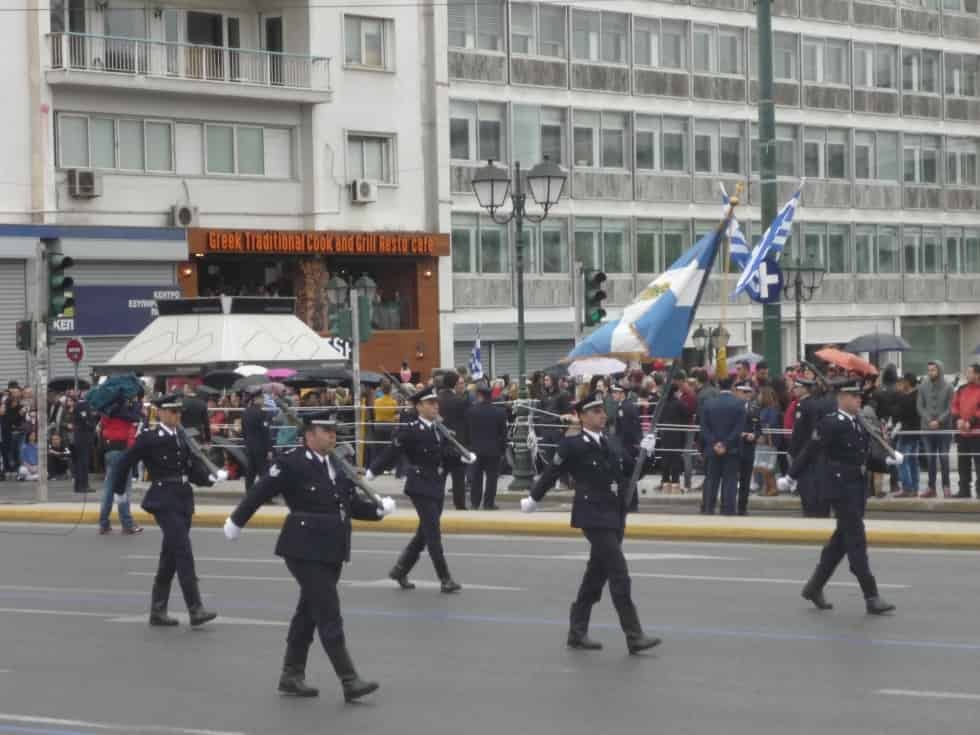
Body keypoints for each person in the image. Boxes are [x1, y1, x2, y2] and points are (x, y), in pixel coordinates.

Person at [224, 413, 396, 702]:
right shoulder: (291, 463)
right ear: (309, 434)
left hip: (332, 548)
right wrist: (236, 521)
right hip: (303, 547)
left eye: (334, 431)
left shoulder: (336, 464)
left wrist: (377, 511)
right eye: (326, 431)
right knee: (329, 612)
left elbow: (349, 504)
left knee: (308, 613)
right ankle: (349, 679)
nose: (333, 436)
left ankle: (291, 675)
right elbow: (260, 490)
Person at [520, 392, 661, 654]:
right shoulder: (572, 444)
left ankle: (577, 631)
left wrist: (648, 453)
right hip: (593, 515)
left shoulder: (612, 441)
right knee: (619, 573)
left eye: (602, 411)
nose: (601, 415)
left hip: (616, 513)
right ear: (582, 416)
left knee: (596, 575)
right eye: (595, 411)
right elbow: (552, 473)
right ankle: (634, 635)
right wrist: (533, 498)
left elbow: (633, 472)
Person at [779, 380, 898, 614]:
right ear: (842, 397)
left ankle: (814, 587)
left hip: (857, 488)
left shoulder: (857, 423)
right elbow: (810, 450)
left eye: (859, 396)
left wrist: (886, 462)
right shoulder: (831, 423)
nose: (859, 400)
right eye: (854, 396)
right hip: (840, 488)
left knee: (840, 542)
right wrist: (792, 476)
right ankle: (871, 595)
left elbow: (862, 458)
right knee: (856, 540)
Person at [112, 394, 223, 627]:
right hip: (163, 499)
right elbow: (124, 463)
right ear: (160, 412)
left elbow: (191, 468)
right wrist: (120, 492)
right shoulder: (150, 438)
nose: (176, 416)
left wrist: (210, 478)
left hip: (183, 498)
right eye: (172, 412)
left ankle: (158, 610)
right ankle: (195, 608)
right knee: (183, 550)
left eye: (178, 412)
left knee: (170, 557)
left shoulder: (181, 437)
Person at [367, 387, 472, 592]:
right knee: (433, 533)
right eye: (430, 403)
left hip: (436, 485)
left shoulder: (438, 429)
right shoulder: (411, 430)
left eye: (436, 403)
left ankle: (400, 570)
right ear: (419, 406)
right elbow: (392, 452)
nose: (435, 406)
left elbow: (445, 454)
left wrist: (462, 457)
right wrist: (374, 470)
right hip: (419, 485)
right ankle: (445, 579)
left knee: (424, 532)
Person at [98, 396, 143, 536]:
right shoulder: (125, 413)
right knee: (123, 489)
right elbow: (136, 418)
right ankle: (127, 523)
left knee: (109, 488)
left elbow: (102, 427)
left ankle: (104, 523)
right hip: (123, 452)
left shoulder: (107, 411)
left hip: (109, 451)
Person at [699, 378, 745, 515]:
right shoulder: (739, 404)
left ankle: (708, 507)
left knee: (711, 480)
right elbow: (738, 429)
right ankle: (728, 509)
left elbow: (704, 428)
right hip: (732, 449)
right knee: (730, 480)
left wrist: (714, 443)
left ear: (718, 385)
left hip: (712, 449)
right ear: (732, 386)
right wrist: (726, 444)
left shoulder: (708, 403)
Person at [465, 385, 507, 510]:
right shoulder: (499, 412)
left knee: (476, 477)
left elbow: (467, 431)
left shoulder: (471, 411)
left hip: (476, 449)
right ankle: (489, 503)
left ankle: (475, 502)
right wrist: (502, 449)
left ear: (479, 396)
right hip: (493, 450)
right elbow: (503, 434)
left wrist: (469, 446)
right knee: (492, 478)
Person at [916, 360, 954, 498]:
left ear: (940, 370)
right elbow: (920, 406)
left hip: (944, 429)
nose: (930, 372)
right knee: (930, 459)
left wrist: (939, 421)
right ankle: (931, 488)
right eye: (929, 370)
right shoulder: (922, 386)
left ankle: (946, 486)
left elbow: (951, 408)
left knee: (944, 458)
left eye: (933, 370)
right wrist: (929, 420)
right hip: (927, 429)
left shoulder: (949, 387)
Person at [437, 373, 470, 510]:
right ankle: (460, 505)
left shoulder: (436, 400)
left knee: (440, 478)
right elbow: (466, 423)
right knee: (458, 478)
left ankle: (437, 503)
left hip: (439, 444)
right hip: (457, 443)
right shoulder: (460, 401)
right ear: (455, 383)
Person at [608, 383, 643, 510]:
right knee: (628, 476)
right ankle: (630, 502)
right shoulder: (625, 406)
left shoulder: (625, 408)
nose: (613, 395)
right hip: (629, 446)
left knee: (626, 476)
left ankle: (628, 503)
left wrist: (621, 447)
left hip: (627, 447)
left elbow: (627, 431)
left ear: (621, 393)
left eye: (615, 392)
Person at [657, 374, 692, 495]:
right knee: (675, 458)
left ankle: (666, 482)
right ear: (675, 391)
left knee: (665, 457)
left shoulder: (662, 403)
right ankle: (675, 484)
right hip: (677, 434)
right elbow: (687, 413)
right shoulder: (678, 403)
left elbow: (658, 417)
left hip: (664, 433)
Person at [952, 364, 980, 499]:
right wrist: (958, 419)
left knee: (979, 463)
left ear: (977, 374)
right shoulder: (961, 389)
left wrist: (971, 422)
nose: (967, 375)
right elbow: (955, 405)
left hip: (977, 434)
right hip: (962, 434)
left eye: (969, 372)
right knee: (962, 463)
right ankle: (964, 489)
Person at [735, 382, 761, 516]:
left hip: (748, 448)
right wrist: (740, 434)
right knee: (732, 479)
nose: (746, 395)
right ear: (737, 392)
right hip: (735, 446)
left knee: (745, 480)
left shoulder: (754, 408)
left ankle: (742, 507)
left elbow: (759, 428)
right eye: (743, 392)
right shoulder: (733, 407)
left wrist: (754, 435)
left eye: (748, 392)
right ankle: (729, 505)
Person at [893, 372, 920, 498]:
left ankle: (907, 488)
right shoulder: (919, 395)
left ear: (908, 382)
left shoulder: (904, 397)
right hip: (916, 432)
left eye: (903, 381)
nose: (902, 383)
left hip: (905, 432)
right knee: (914, 461)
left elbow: (898, 414)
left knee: (902, 460)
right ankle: (915, 488)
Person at [242, 390, 273, 492]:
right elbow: (266, 432)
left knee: (250, 472)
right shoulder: (262, 413)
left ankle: (249, 493)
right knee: (263, 472)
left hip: (250, 446)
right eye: (262, 398)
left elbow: (244, 431)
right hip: (261, 447)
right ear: (256, 399)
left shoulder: (245, 412)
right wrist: (269, 449)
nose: (263, 400)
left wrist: (247, 444)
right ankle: (265, 495)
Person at [71, 396, 98, 493]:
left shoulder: (82, 404)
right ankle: (83, 485)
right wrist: (92, 426)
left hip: (81, 437)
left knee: (81, 463)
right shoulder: (83, 405)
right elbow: (85, 420)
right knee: (83, 463)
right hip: (83, 437)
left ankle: (80, 485)